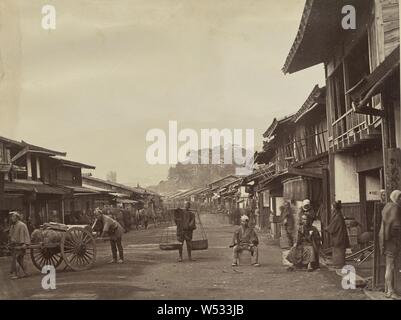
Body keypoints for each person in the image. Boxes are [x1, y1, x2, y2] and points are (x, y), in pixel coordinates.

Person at [379, 190, 401, 299]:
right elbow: (396, 227)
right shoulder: (396, 208)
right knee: (391, 267)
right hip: (392, 241)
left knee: (389, 266)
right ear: (397, 198)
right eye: (400, 198)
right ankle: (391, 292)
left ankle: (387, 290)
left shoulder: (387, 206)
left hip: (385, 239)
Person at [325, 201, 350, 268]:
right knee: (338, 249)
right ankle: (338, 264)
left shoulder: (337, 216)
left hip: (339, 236)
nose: (331, 208)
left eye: (332, 207)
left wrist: (327, 229)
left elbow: (333, 227)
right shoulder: (338, 215)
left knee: (338, 249)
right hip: (339, 234)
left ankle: (339, 264)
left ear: (335, 208)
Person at [8, 211, 31, 279]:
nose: (11, 218)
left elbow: (26, 235)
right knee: (20, 259)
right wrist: (10, 242)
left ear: (17, 218)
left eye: (13, 216)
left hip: (21, 245)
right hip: (15, 245)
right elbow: (10, 235)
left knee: (16, 259)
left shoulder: (22, 225)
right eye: (11, 217)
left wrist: (25, 244)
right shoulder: (13, 226)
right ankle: (26, 272)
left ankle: (16, 274)